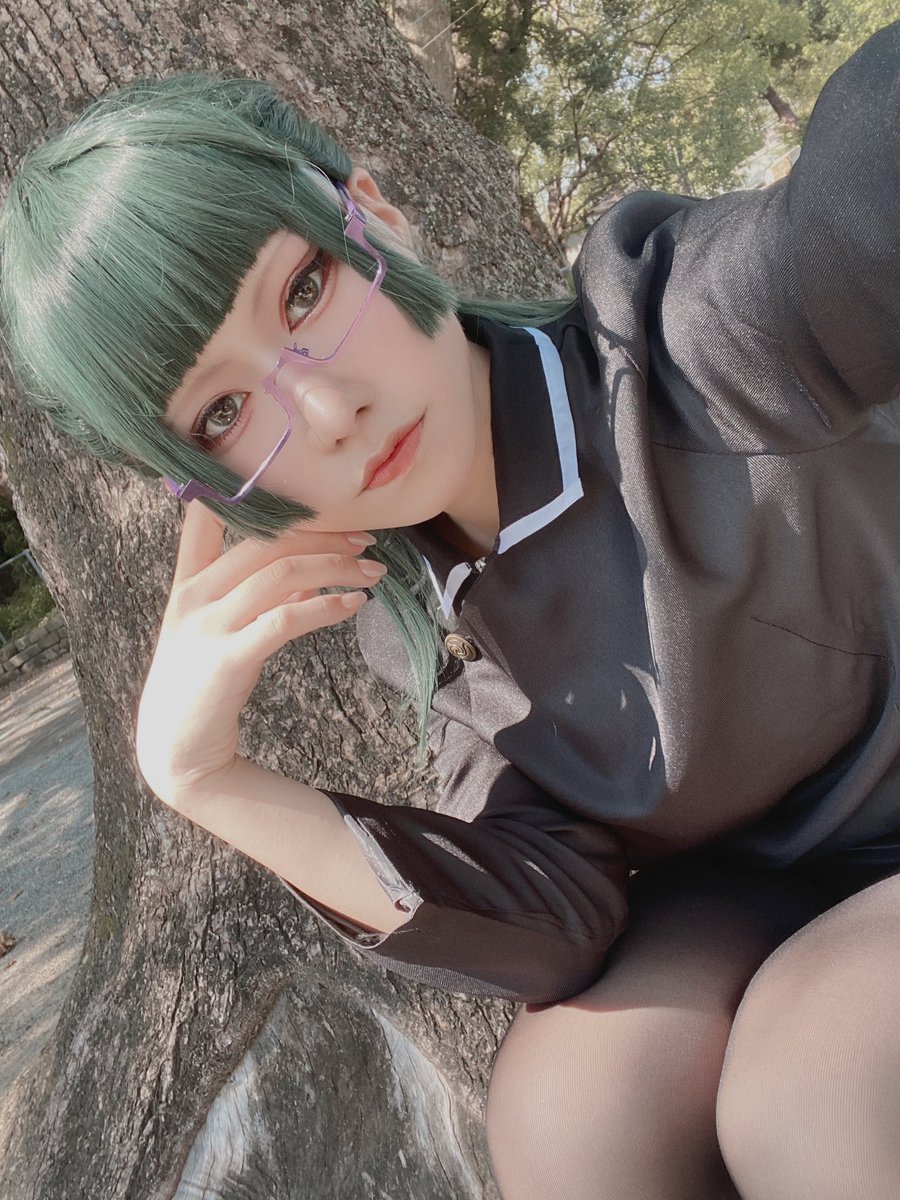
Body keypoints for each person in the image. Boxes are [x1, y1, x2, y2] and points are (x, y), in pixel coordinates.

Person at [2, 21, 900, 1200]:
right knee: (575, 1118)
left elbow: (854, 204)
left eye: (304, 290)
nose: (328, 411)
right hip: (773, 889)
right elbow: (556, 921)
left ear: (374, 216)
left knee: (810, 1090)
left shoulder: (694, 336)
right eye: (223, 415)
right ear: (209, 490)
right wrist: (204, 779)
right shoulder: (424, 622)